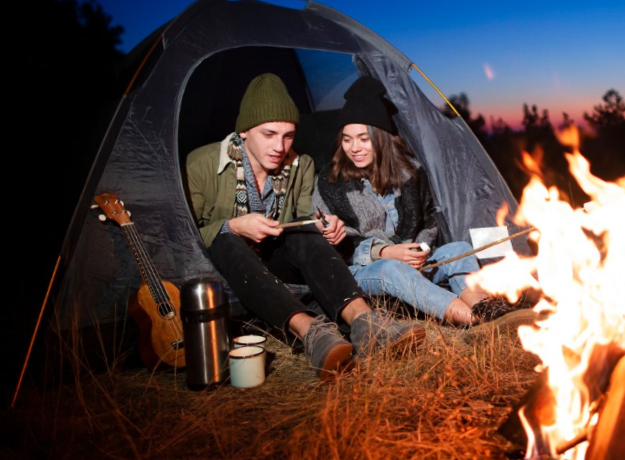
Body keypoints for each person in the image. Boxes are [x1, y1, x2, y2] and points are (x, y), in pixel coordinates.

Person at [186, 73, 425, 381]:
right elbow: (184, 234)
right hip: (224, 269)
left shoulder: (300, 165)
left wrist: (326, 227)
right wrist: (234, 225)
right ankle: (311, 332)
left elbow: (301, 221)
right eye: (269, 134)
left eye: (288, 135)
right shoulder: (202, 164)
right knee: (225, 237)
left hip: (276, 263)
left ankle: (367, 324)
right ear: (244, 131)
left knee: (303, 232)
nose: (279, 146)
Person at [313, 75, 535, 329]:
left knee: (459, 249)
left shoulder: (410, 174)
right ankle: (474, 322)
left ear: (381, 139)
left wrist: (420, 249)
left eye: (364, 138)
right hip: (363, 270)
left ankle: (486, 307)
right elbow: (329, 248)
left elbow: (428, 221)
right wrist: (384, 252)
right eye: (347, 139)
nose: (354, 148)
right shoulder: (330, 182)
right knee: (393, 269)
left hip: (411, 260)